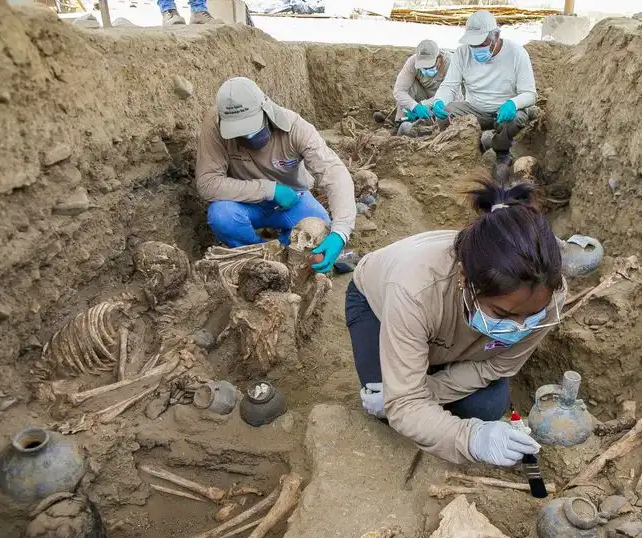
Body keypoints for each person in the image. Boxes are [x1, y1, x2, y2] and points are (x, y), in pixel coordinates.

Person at [345, 180, 566, 466]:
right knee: (388, 409)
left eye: (531, 316)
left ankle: (429, 372)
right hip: (376, 304)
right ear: (465, 280)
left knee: (486, 407)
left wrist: (427, 391)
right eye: (502, 315)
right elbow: (405, 406)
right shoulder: (414, 290)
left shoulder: (548, 294)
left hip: (449, 334)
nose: (520, 328)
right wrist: (469, 438)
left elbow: (499, 365)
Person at [195, 77, 356, 273]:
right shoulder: (215, 125)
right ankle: (257, 255)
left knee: (318, 229)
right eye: (240, 134)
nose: (248, 138)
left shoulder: (295, 127)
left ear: (266, 110)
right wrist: (268, 189)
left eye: (252, 130)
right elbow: (207, 183)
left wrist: (340, 233)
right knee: (221, 215)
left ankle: (284, 250)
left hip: (292, 201)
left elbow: (334, 173)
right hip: (242, 203)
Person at [431, 10, 537, 165]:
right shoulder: (462, 53)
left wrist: (513, 104)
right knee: (445, 114)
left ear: (496, 36)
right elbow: (449, 85)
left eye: (482, 44)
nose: (476, 48)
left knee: (514, 120)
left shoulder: (517, 53)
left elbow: (530, 94)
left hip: (504, 111)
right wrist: (439, 100)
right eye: (472, 44)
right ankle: (466, 149)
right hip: (474, 109)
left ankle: (501, 151)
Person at [387, 40, 459, 135]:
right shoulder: (412, 62)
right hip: (423, 94)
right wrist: (414, 106)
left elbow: (454, 94)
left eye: (429, 66)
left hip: (443, 101)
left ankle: (431, 128)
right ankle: (399, 123)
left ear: (438, 58)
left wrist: (423, 104)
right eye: (423, 67)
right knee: (409, 88)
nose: (426, 70)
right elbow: (399, 90)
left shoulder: (451, 63)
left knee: (445, 119)